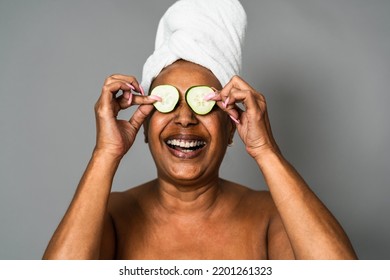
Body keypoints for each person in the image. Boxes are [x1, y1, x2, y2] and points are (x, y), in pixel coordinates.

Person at [43, 0, 357, 260]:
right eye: (167, 102)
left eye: (203, 101)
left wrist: (266, 151)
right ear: (144, 125)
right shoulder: (108, 215)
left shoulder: (272, 217)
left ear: (232, 126)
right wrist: (105, 153)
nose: (184, 118)